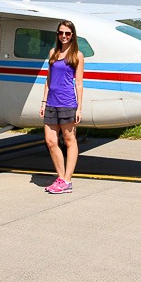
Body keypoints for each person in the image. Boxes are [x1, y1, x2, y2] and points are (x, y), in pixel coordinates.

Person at [39, 20, 84, 194]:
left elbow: (79, 83)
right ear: (57, 35)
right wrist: (43, 102)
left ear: (72, 35)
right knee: (50, 141)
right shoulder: (53, 52)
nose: (64, 36)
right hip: (51, 102)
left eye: (67, 33)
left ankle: (67, 180)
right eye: (61, 33)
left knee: (69, 141)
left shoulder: (77, 55)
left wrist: (79, 108)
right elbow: (48, 80)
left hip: (67, 103)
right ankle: (61, 178)